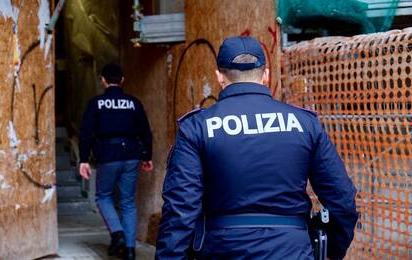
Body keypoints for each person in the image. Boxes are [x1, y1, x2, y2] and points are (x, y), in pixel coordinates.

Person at [156, 36, 358, 259]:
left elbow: (180, 209)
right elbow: (342, 199)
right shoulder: (304, 123)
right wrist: (332, 250)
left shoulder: (197, 127)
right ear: (266, 75)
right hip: (292, 250)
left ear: (219, 77)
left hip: (223, 250)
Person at [79, 63, 153, 260]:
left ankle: (117, 233)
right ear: (122, 80)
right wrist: (147, 156)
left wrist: (84, 159)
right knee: (128, 201)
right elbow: (146, 132)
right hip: (131, 154)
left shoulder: (96, 103)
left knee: (103, 197)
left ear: (103, 80)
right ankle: (129, 250)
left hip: (108, 154)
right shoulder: (134, 103)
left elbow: (86, 133)